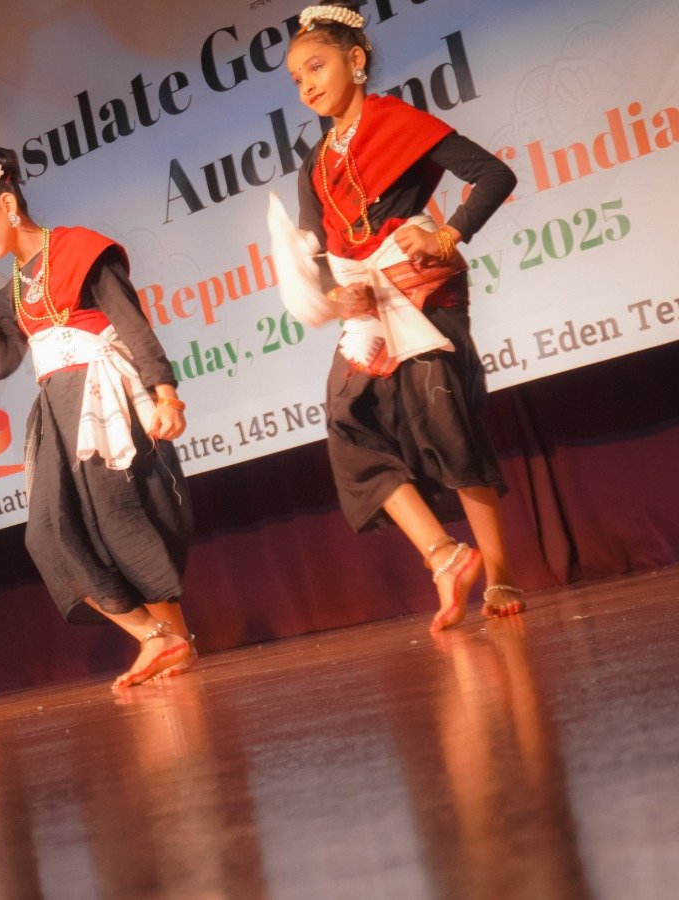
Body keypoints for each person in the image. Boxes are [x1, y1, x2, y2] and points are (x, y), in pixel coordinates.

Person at [286, 0, 524, 631]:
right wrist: (338, 297)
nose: (307, 83)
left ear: (356, 60)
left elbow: (494, 176)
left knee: (447, 421)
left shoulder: (398, 122)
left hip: (423, 288)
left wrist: (447, 234)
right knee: (348, 421)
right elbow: (317, 255)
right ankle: (444, 557)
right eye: (297, 76)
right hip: (367, 301)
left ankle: (498, 571)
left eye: (317, 65)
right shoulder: (313, 166)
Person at [0, 146, 196, 689]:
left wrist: (165, 393)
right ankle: (157, 637)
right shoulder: (10, 287)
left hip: (103, 397)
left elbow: (132, 323)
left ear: (6, 203)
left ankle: (173, 642)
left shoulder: (79, 248)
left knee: (121, 515)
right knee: (47, 532)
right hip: (57, 409)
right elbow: (3, 360)